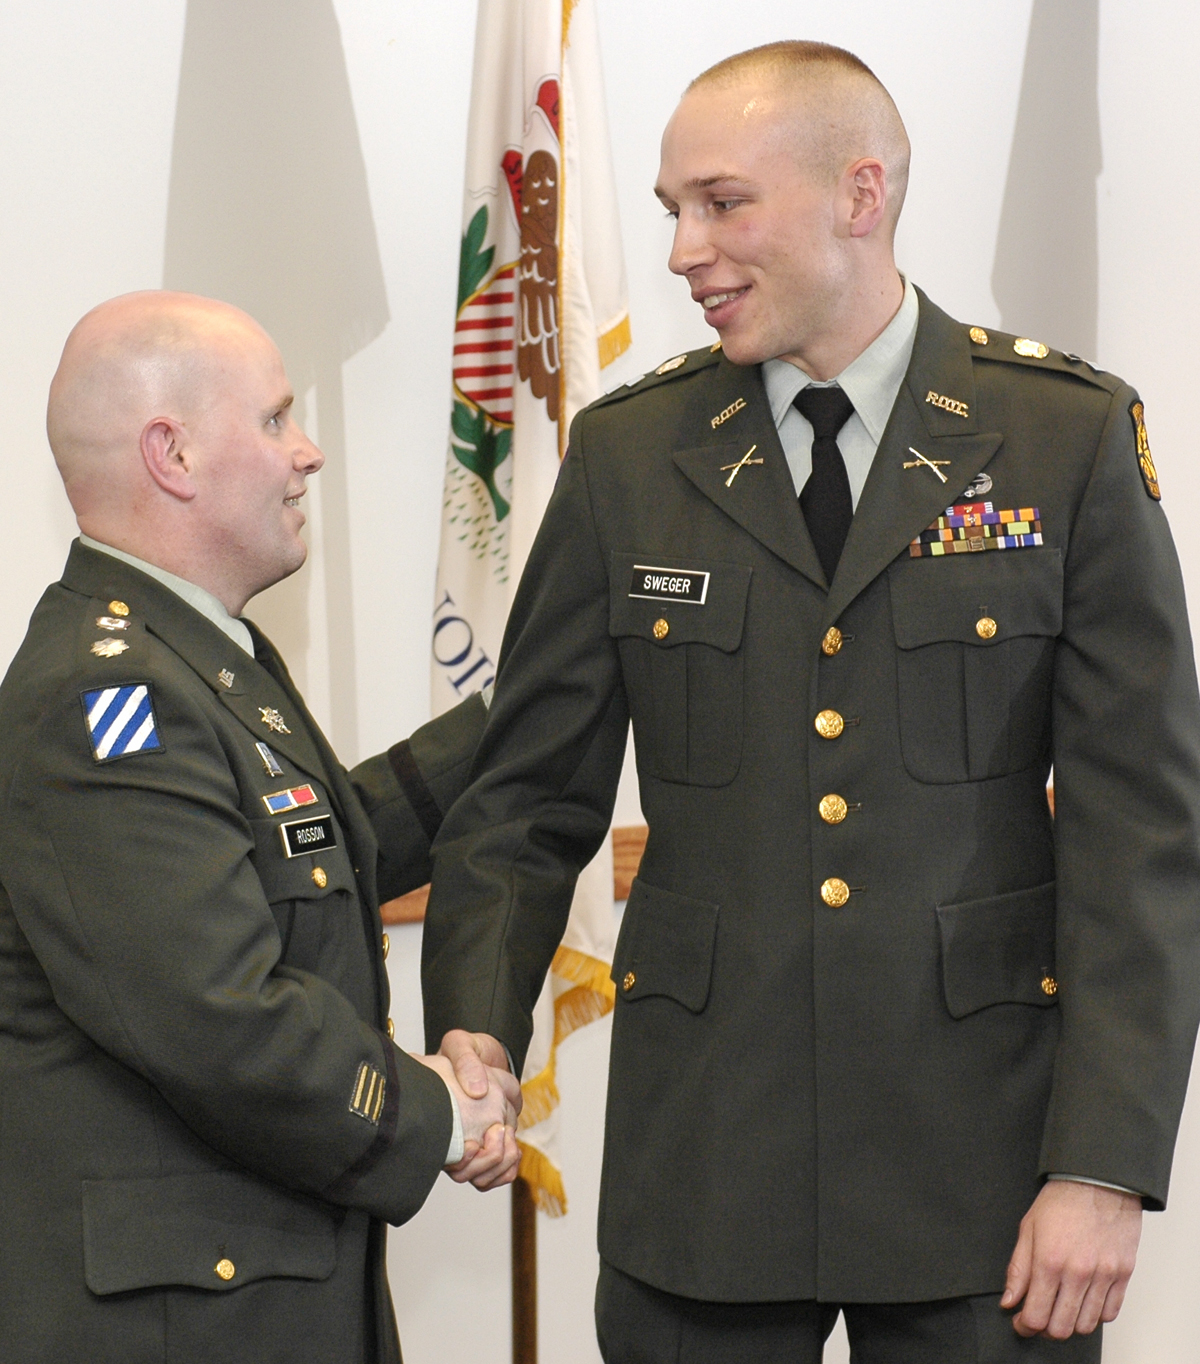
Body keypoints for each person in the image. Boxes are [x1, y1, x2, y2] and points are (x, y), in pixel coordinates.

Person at [422, 40, 1200, 1362]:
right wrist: (477, 1025)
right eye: (672, 209)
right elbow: (526, 798)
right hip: (706, 1167)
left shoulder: (1061, 436)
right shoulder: (629, 454)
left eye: (722, 203)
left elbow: (1141, 833)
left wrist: (1103, 1165)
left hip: (988, 1180)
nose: (684, 251)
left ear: (861, 193)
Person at [0, 291, 520, 1364]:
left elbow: (310, 855)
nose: (307, 451)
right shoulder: (107, 701)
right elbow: (219, 1016)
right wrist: (434, 1113)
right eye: (276, 418)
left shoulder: (193, 654)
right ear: (173, 455)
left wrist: (518, 717)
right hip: (184, 1326)